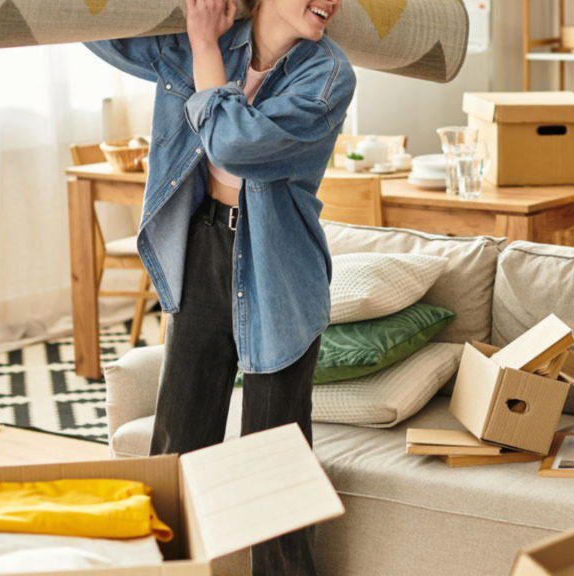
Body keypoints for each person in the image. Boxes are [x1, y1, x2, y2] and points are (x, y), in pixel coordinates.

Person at [85, 0, 354, 574]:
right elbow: (97, 32)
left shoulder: (328, 76)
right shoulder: (209, 36)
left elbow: (233, 145)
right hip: (203, 242)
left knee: (273, 460)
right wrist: (198, 27)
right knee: (177, 442)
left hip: (280, 268)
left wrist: (203, 44)